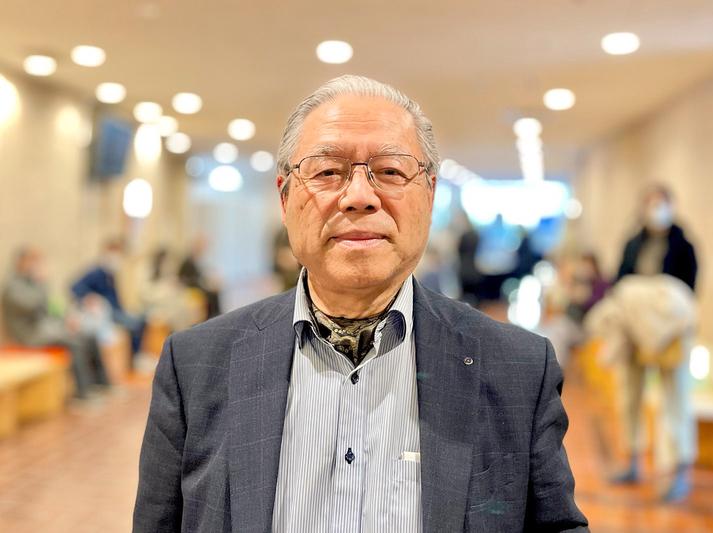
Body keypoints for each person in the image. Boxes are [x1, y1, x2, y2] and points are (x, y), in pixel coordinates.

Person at [134, 75, 588, 532]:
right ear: (286, 197)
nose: (357, 196)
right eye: (327, 171)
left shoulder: (518, 370)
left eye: (390, 171)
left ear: (429, 196)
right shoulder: (194, 366)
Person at [611, 184, 698, 502]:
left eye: (660, 203)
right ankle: (633, 459)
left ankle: (679, 469)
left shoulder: (684, 245)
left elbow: (688, 292)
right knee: (629, 394)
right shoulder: (634, 243)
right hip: (634, 329)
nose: (655, 209)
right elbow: (619, 280)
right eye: (650, 203)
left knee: (675, 398)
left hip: (670, 331)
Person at [2, 247, 109, 399]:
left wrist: (66, 321)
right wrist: (42, 283)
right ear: (20, 262)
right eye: (31, 261)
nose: (34, 265)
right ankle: (83, 394)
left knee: (88, 336)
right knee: (74, 343)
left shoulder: (31, 284)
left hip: (44, 330)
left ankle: (101, 383)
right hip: (28, 335)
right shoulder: (12, 286)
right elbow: (32, 306)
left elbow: (51, 309)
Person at [71, 238, 146, 364]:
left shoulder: (110, 275)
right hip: (106, 314)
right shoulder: (96, 272)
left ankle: (136, 356)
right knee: (136, 324)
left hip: (116, 310)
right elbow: (75, 287)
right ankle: (135, 359)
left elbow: (116, 299)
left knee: (142, 318)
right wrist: (90, 298)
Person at [178, 235, 221, 319]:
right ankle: (213, 317)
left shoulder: (195, 260)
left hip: (197, 284)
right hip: (191, 287)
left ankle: (217, 315)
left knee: (215, 291)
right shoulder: (188, 261)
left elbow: (199, 275)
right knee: (211, 295)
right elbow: (183, 277)